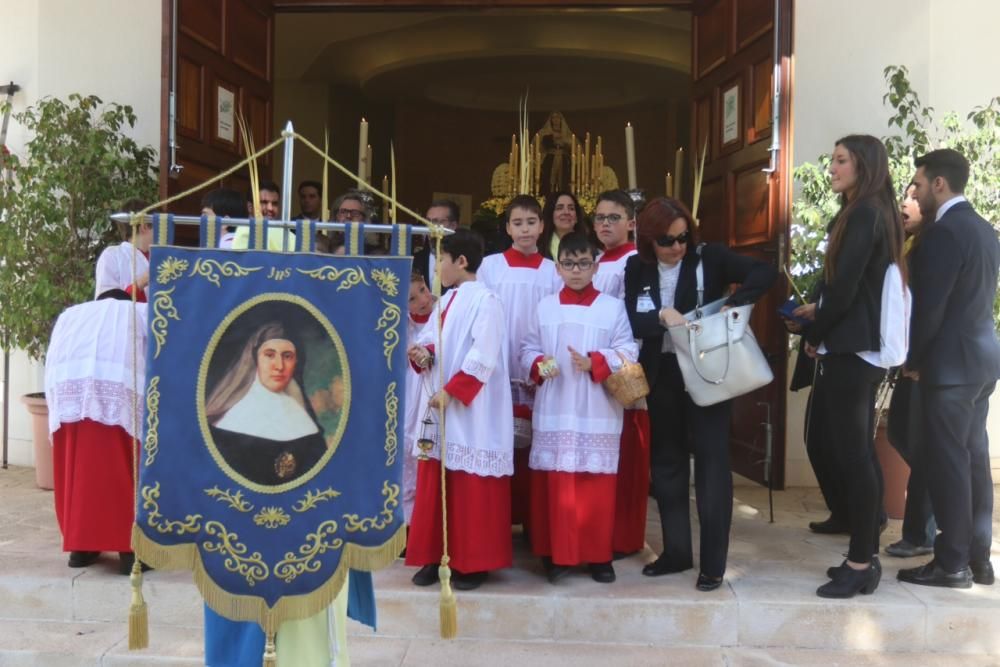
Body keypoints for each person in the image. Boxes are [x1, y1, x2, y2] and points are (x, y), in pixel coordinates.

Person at [625, 197, 775, 592]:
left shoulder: (711, 258)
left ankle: (713, 564)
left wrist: (733, 305)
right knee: (668, 464)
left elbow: (765, 271)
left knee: (711, 465)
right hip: (664, 375)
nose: (677, 247)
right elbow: (632, 317)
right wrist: (661, 315)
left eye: (683, 238)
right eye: (667, 240)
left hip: (709, 372)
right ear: (647, 241)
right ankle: (676, 552)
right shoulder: (636, 267)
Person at [789, 135, 905, 598]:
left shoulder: (866, 213)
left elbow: (845, 289)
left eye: (840, 160)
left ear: (864, 165)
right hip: (855, 345)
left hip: (854, 350)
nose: (831, 167)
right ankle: (862, 554)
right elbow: (841, 286)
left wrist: (817, 334)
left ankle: (862, 562)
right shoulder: (866, 210)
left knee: (854, 454)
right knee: (853, 452)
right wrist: (817, 317)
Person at [898, 148, 1000, 589]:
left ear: (940, 184)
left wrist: (913, 360)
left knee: (949, 464)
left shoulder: (942, 233)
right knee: (974, 461)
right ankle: (979, 560)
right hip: (981, 362)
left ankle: (952, 563)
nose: (915, 195)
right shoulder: (985, 230)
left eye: (919, 185)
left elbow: (930, 309)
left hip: (950, 367)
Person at [522, 231, 638, 583]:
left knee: (594, 487)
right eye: (569, 264)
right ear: (558, 267)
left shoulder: (612, 307)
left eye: (583, 263)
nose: (576, 270)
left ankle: (598, 556)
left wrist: (596, 363)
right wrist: (542, 364)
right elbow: (527, 348)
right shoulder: (544, 307)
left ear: (595, 266)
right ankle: (557, 555)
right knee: (557, 486)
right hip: (556, 404)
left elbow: (629, 351)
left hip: (596, 408)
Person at [405, 229, 514, 591]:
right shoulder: (445, 301)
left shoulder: (487, 300)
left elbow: (483, 354)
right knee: (434, 483)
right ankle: (434, 556)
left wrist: (453, 392)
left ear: (461, 262)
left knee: (469, 486)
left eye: (442, 261)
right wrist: (424, 354)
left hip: (470, 410)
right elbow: (432, 342)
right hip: (440, 406)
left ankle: (472, 561)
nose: (437, 269)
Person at [45, 289, 147, 575]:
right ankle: (129, 550)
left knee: (78, 474)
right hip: (118, 390)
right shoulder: (137, 312)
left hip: (68, 395)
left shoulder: (71, 315)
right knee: (118, 470)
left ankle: (80, 547)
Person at [478, 195, 561, 528]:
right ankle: (499, 518)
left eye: (531, 222)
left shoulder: (553, 271)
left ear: (542, 226)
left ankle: (531, 521)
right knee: (499, 440)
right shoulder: (490, 266)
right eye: (517, 223)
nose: (525, 230)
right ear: (507, 228)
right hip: (497, 364)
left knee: (534, 445)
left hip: (536, 365)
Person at [591, 189, 650, 557]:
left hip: (622, 370)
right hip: (590, 370)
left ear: (631, 223)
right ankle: (595, 531)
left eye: (613, 218)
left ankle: (622, 536)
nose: (605, 224)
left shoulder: (636, 262)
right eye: (599, 217)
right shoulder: (592, 260)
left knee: (625, 457)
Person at [205, 322, 328, 486]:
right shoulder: (226, 424)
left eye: (287, 356)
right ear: (255, 359)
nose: (279, 366)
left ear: (296, 361)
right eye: (269, 355)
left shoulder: (304, 419)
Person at [884, 183, 936, 559]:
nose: (906, 202)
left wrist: (916, 359)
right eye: (905, 194)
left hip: (922, 364)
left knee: (920, 443)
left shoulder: (932, 246)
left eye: (915, 196)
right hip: (906, 359)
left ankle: (922, 531)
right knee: (904, 435)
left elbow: (927, 310)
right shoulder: (908, 245)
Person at [403, 272, 437, 522]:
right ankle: (407, 522)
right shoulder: (402, 323)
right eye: (412, 299)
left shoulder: (445, 311)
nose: (423, 300)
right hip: (410, 391)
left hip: (434, 389)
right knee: (407, 455)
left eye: (423, 290)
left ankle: (427, 519)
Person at [94, 198, 152, 302]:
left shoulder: (160, 256)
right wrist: (141, 282)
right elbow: (106, 304)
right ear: (145, 227)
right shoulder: (112, 255)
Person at [413, 199, 461, 287]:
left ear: (453, 226)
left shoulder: (463, 260)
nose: (431, 226)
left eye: (436, 221)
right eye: (428, 221)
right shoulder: (415, 260)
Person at [231, 180, 289, 251]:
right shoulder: (245, 231)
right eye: (264, 202)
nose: (270, 208)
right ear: (250, 207)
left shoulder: (288, 234)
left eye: (274, 203)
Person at [539, 191, 591, 261]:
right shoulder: (539, 249)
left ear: (576, 217)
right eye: (559, 208)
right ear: (550, 214)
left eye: (571, 208)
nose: (566, 212)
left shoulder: (589, 247)